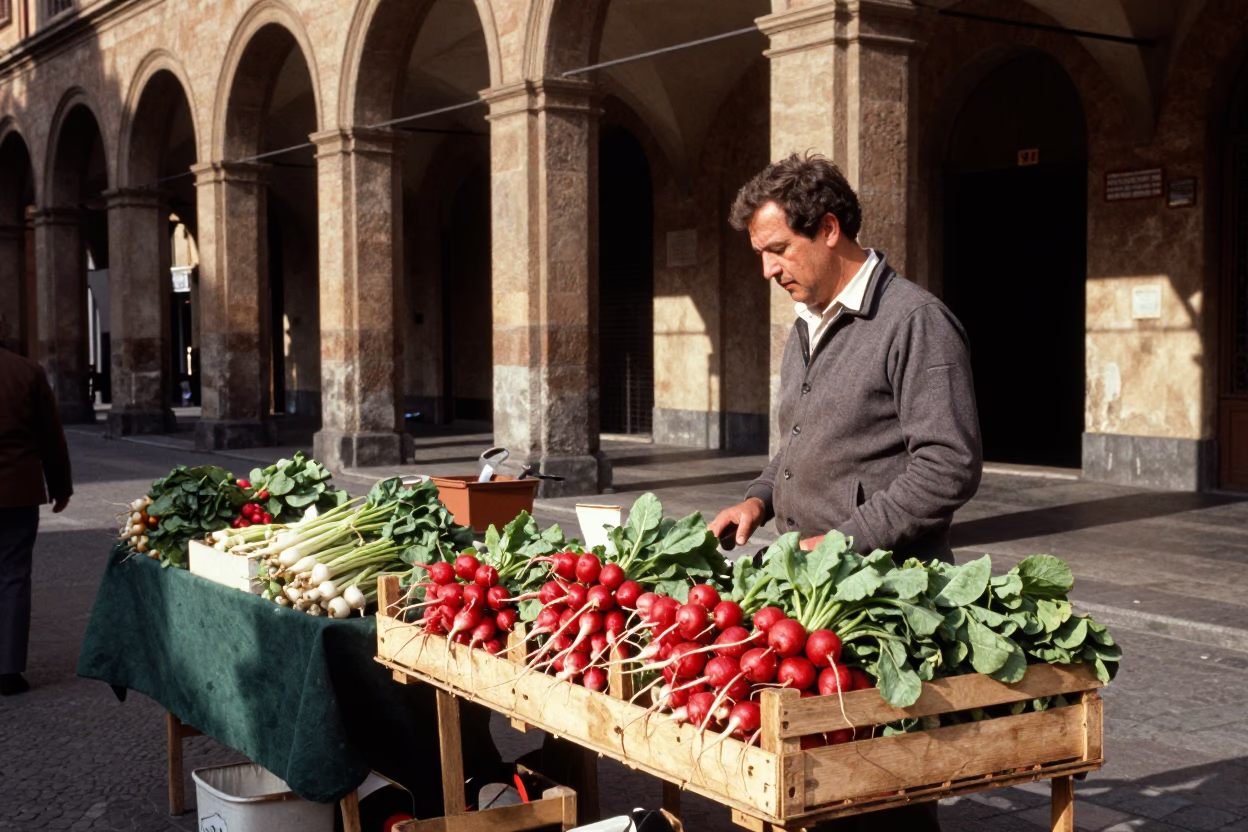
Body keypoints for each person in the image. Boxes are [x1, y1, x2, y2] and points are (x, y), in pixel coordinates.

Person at [708, 154, 983, 830]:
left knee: (879, 796)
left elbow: (949, 464)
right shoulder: (807, 323)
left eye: (778, 250)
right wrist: (759, 498)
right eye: (763, 254)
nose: (768, 270)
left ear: (829, 228)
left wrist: (844, 542)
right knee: (816, 790)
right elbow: (798, 443)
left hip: (884, 604)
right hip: (809, 600)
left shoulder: (915, 321)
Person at [0, 338, 73, 696]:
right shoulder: (26, 371)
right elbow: (50, 437)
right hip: (17, 490)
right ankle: (8, 670)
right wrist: (61, 486)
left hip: (18, 490)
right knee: (13, 576)